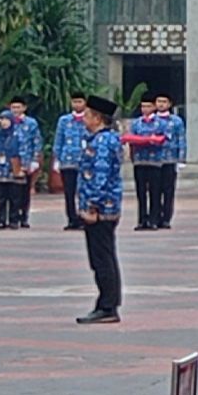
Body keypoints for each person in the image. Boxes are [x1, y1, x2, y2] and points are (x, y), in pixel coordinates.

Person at [76, 95, 124, 324]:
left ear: (97, 118)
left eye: (87, 114)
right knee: (100, 258)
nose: (83, 118)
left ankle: (108, 305)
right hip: (99, 206)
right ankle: (106, 302)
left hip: (101, 208)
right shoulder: (98, 140)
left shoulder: (103, 142)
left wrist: (92, 205)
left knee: (102, 258)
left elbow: (100, 178)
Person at [127, 98, 167, 231]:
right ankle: (142, 219)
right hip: (140, 160)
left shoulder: (160, 123)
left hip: (154, 160)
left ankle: (154, 220)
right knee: (141, 192)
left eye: (148, 106)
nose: (145, 109)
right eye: (143, 106)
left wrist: (152, 140)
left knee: (155, 192)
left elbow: (164, 139)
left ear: (154, 107)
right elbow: (131, 138)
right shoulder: (137, 123)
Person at [51, 94, 89, 230]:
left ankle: (85, 217)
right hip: (67, 160)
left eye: (80, 101)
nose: (77, 104)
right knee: (69, 192)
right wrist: (57, 159)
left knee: (84, 191)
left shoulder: (89, 119)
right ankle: (72, 219)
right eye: (74, 102)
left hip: (85, 161)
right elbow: (58, 140)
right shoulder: (64, 120)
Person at [4, 99, 42, 227]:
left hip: (26, 160)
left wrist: (35, 160)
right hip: (10, 162)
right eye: (13, 107)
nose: (15, 110)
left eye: (18, 107)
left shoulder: (31, 123)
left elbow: (36, 141)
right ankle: (13, 218)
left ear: (24, 108)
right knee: (13, 191)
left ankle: (24, 217)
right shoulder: (6, 122)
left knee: (25, 191)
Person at [154, 95, 186, 228]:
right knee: (155, 190)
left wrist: (181, 158)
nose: (161, 104)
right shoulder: (151, 120)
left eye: (164, 102)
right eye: (159, 102)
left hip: (170, 159)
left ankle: (166, 218)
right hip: (154, 160)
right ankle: (155, 216)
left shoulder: (176, 121)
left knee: (168, 190)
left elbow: (181, 140)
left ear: (169, 104)